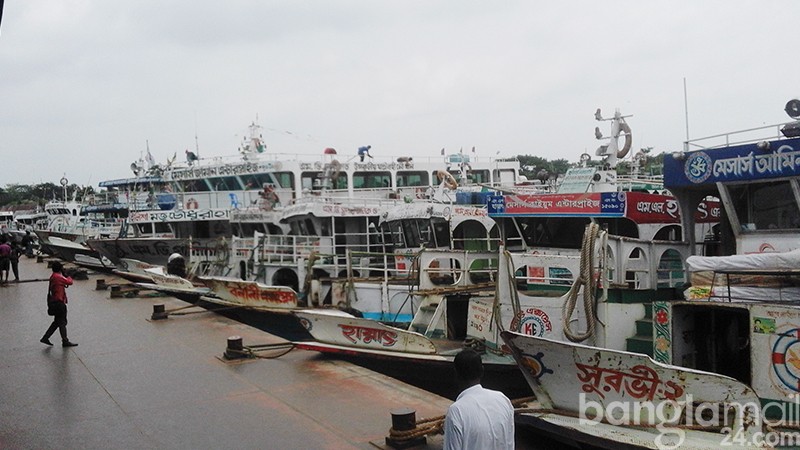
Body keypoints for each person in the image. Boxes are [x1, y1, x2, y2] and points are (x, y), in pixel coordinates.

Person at [443, 349, 514, 450]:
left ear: (456, 374)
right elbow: (510, 444)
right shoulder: (503, 400)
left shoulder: (456, 411)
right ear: (482, 371)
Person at [40, 261, 78, 347]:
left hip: (54, 301)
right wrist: (67, 275)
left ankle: (45, 337)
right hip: (59, 302)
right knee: (62, 322)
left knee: (57, 322)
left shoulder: (53, 276)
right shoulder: (58, 277)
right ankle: (65, 341)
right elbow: (70, 282)